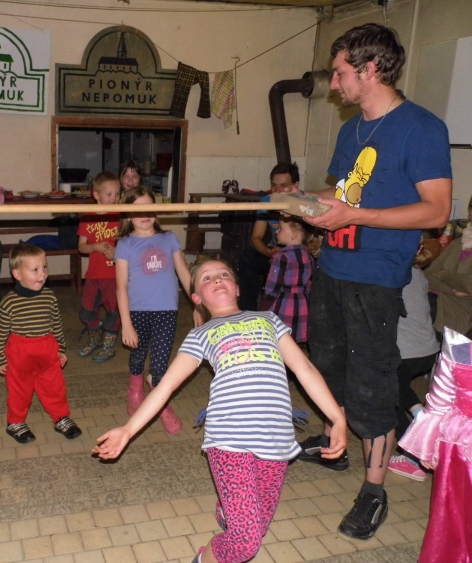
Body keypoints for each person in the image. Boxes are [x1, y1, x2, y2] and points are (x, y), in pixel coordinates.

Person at [299, 23, 452, 541]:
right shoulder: (351, 130)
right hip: (333, 268)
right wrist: (304, 201)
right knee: (329, 368)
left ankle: (374, 490)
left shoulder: (421, 128)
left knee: (373, 386)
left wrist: (355, 217)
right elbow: (346, 194)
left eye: (340, 72)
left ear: (369, 69)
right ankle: (335, 445)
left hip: (376, 278)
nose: (334, 83)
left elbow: (437, 210)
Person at [93, 257, 347, 563]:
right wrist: (128, 429)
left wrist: (336, 417)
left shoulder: (268, 320)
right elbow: (165, 386)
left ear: (237, 288)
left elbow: (304, 368)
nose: (216, 279)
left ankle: (228, 509)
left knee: (259, 526)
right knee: (245, 543)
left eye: (224, 274)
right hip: (228, 440)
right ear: (197, 298)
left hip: (277, 440)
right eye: (206, 278)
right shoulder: (200, 334)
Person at [115, 185, 192, 434]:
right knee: (137, 356)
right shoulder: (125, 244)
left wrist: (199, 304)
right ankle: (135, 388)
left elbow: (184, 274)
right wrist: (126, 324)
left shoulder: (169, 239)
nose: (144, 214)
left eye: (148, 207)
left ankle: (161, 403)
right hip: (136, 312)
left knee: (160, 365)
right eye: (137, 209)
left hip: (166, 311)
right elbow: (120, 286)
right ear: (128, 215)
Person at [0, 243, 82, 444]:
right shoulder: (9, 302)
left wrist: (61, 349)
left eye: (44, 267)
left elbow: (56, 324)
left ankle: (61, 417)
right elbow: (0, 333)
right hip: (20, 352)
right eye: (35, 270)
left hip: (47, 348)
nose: (42, 274)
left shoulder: (49, 296)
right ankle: (15, 422)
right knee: (19, 389)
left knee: (54, 386)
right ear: (17, 274)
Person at [398, 327, 472, 562]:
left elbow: (439, 404)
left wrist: (428, 448)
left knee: (456, 514)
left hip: (459, 444)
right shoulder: (459, 351)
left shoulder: (460, 350)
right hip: (459, 447)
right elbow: (438, 404)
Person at [387, 242, 440, 482]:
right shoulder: (417, 272)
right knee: (399, 389)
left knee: (388, 400)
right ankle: (420, 415)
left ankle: (414, 457)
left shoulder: (395, 274)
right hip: (427, 349)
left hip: (407, 351)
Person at [237, 162, 301, 311]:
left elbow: (311, 242)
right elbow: (255, 238)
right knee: (247, 258)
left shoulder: (304, 203)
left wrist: (284, 255)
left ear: (295, 185)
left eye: (284, 186)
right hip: (273, 251)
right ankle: (248, 313)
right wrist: (268, 252)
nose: (277, 191)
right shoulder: (266, 201)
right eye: (274, 186)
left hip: (298, 255)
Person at [77, 171, 121, 362]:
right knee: (87, 310)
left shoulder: (120, 215)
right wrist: (94, 246)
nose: (114, 198)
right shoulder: (88, 216)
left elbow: (130, 243)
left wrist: (116, 250)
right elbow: (81, 247)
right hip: (93, 276)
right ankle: (95, 339)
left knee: (114, 311)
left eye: (117, 194)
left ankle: (109, 345)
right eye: (109, 194)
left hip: (114, 276)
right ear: (96, 195)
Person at [424, 195, 472, 337]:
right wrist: (453, 290)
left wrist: (441, 274)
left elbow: (469, 284)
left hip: (459, 312)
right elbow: (428, 274)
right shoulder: (458, 243)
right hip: (435, 301)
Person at [262, 216, 315, 344]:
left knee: (280, 337)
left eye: (280, 228)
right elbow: (310, 283)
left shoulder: (281, 257)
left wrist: (264, 306)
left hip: (283, 304)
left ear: (294, 234)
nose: (276, 231)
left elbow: (272, 286)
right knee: (294, 339)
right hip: (302, 304)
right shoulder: (308, 256)